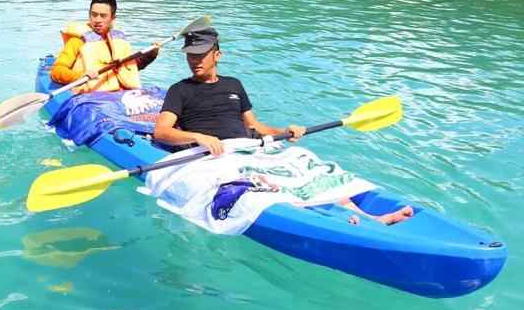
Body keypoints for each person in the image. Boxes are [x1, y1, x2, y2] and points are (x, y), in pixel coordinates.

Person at [153, 27, 413, 226]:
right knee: (267, 185)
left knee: (306, 168)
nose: (195, 60)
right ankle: (324, 222)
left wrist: (284, 132)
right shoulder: (180, 90)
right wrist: (199, 137)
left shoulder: (233, 84)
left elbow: (253, 125)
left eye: (201, 54)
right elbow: (162, 132)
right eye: (191, 55)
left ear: (217, 55)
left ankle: (368, 217)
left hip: (248, 148)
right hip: (213, 155)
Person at [50, 0, 158, 94]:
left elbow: (129, 69)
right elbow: (57, 71)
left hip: (120, 95)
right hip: (93, 97)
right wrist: (80, 76)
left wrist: (150, 55)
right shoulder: (77, 41)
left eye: (103, 16)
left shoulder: (118, 40)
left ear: (112, 18)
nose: (97, 20)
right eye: (94, 15)